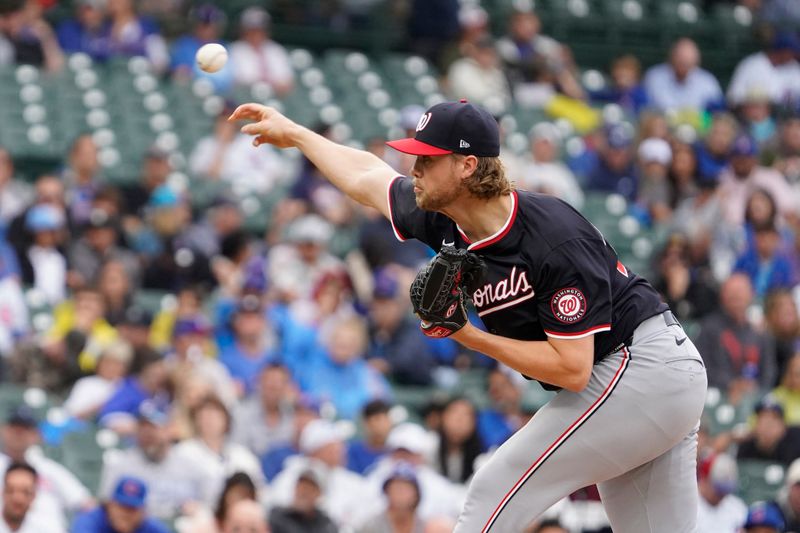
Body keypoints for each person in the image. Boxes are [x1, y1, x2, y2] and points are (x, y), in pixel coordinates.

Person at [230, 98, 708, 531]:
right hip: (640, 383)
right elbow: (366, 177)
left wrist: (466, 335)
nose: (413, 168)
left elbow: (573, 368)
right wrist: (295, 133)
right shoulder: (446, 221)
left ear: (467, 166)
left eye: (427, 159)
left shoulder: (552, 236)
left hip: (641, 367)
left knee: (493, 488)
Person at [642, 38, 723, 115]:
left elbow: (716, 115)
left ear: (696, 62)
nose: (683, 67)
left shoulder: (707, 81)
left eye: (687, 63)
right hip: (662, 126)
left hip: (699, 128)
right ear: (672, 58)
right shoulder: (654, 77)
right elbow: (645, 110)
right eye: (681, 62)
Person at [70, 476, 170, 533]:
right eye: (122, 507)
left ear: (143, 512)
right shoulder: (91, 520)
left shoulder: (150, 526)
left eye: (132, 509)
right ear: (110, 505)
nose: (125, 514)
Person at [358, 462, 425, 533]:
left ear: (416, 494)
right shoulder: (371, 525)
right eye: (396, 488)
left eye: (406, 489)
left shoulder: (426, 527)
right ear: (386, 492)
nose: (401, 494)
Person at [268, 466, 338, 533]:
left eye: (310, 489)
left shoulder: (326, 525)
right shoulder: (277, 517)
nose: (303, 492)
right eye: (301, 487)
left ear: (319, 494)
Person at [737, 395, 800, 466]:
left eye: (773, 419)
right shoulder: (746, 443)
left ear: (783, 426)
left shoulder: (795, 443)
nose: (767, 425)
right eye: (763, 419)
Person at [1, 462, 63, 533]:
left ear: (34, 495)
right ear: (2, 492)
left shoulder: (47, 528)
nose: (18, 498)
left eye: (25, 492)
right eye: (11, 491)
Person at [696, 453, 747, 533]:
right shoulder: (689, 508)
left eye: (726, 489)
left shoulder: (737, 507)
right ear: (704, 480)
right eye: (718, 489)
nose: (722, 494)